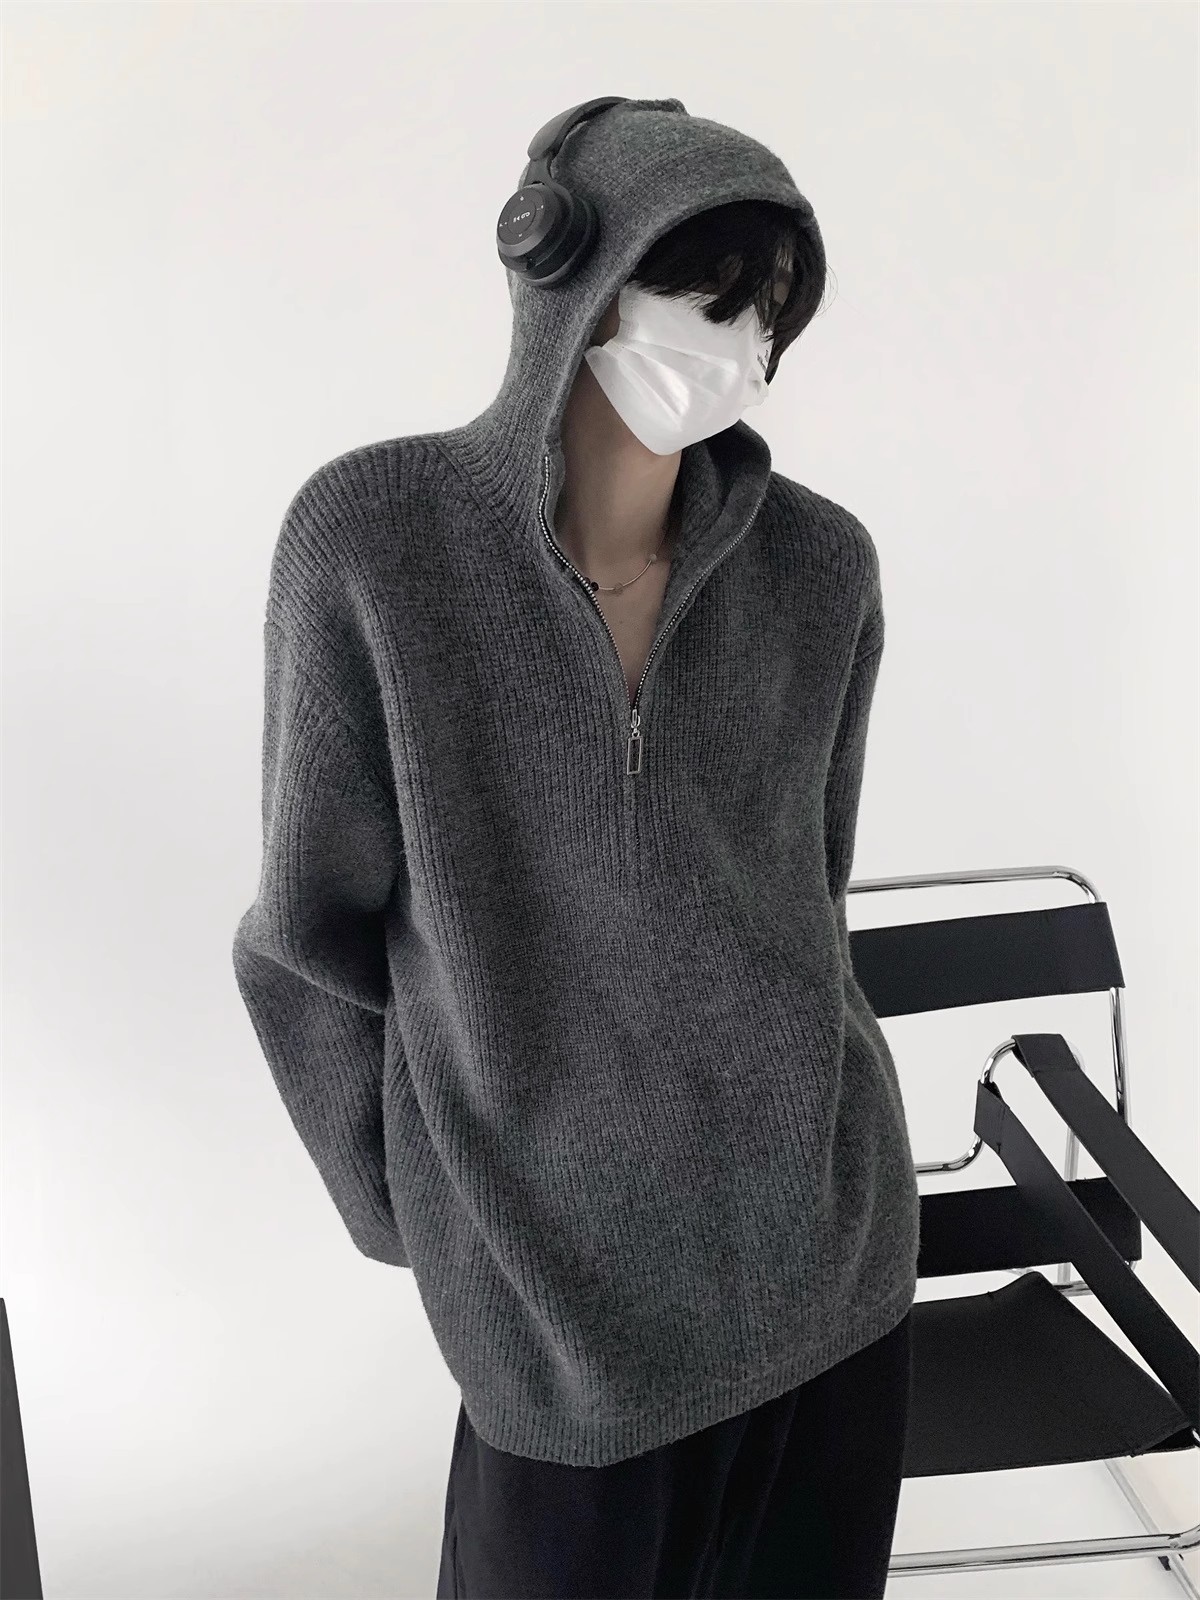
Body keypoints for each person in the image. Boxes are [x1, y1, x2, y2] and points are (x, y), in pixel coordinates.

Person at [232, 95, 919, 1599]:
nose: (740, 351)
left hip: (827, 1272)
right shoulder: (375, 548)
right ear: (570, 277)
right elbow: (303, 943)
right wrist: (425, 1216)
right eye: (707, 300)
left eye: (770, 316)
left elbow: (811, 893)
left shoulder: (820, 568)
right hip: (555, 1319)